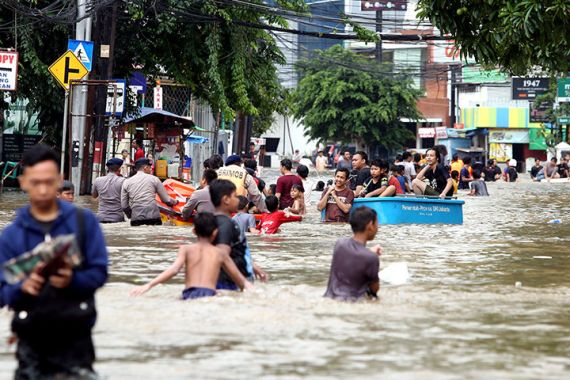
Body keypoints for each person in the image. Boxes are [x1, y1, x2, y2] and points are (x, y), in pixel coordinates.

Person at [0, 144, 108, 379]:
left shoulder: (84, 222)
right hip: (30, 343)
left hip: (76, 340)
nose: (42, 190)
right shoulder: (11, 235)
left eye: (49, 182)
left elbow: (99, 273)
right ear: (23, 182)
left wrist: (73, 279)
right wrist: (21, 288)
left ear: (59, 180)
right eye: (35, 182)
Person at [130, 212, 252, 299]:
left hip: (188, 294)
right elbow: (240, 280)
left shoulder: (185, 249)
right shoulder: (220, 253)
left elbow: (173, 270)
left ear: (194, 231)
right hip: (210, 295)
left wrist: (149, 285)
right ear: (215, 232)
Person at [209, 179, 267, 289]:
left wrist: (253, 266)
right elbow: (223, 256)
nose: (238, 200)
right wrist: (243, 283)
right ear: (226, 200)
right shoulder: (226, 225)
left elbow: (235, 250)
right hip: (231, 283)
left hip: (227, 281)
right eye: (235, 196)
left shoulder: (217, 221)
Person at [324, 206, 381, 301]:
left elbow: (354, 256)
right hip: (352, 302)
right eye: (377, 224)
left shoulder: (340, 244)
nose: (377, 228)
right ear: (370, 225)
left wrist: (369, 252)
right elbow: (374, 289)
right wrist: (372, 255)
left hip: (329, 298)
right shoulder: (371, 258)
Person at [121, 158, 178, 226]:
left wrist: (131, 215)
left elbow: (124, 206)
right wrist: (176, 202)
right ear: (145, 168)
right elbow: (166, 200)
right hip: (153, 216)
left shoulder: (126, 182)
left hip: (136, 218)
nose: (151, 169)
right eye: (150, 167)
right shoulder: (154, 179)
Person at [92, 157, 126, 223]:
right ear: (119, 169)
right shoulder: (123, 181)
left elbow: (94, 196)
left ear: (108, 168)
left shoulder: (98, 180)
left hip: (101, 217)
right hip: (117, 218)